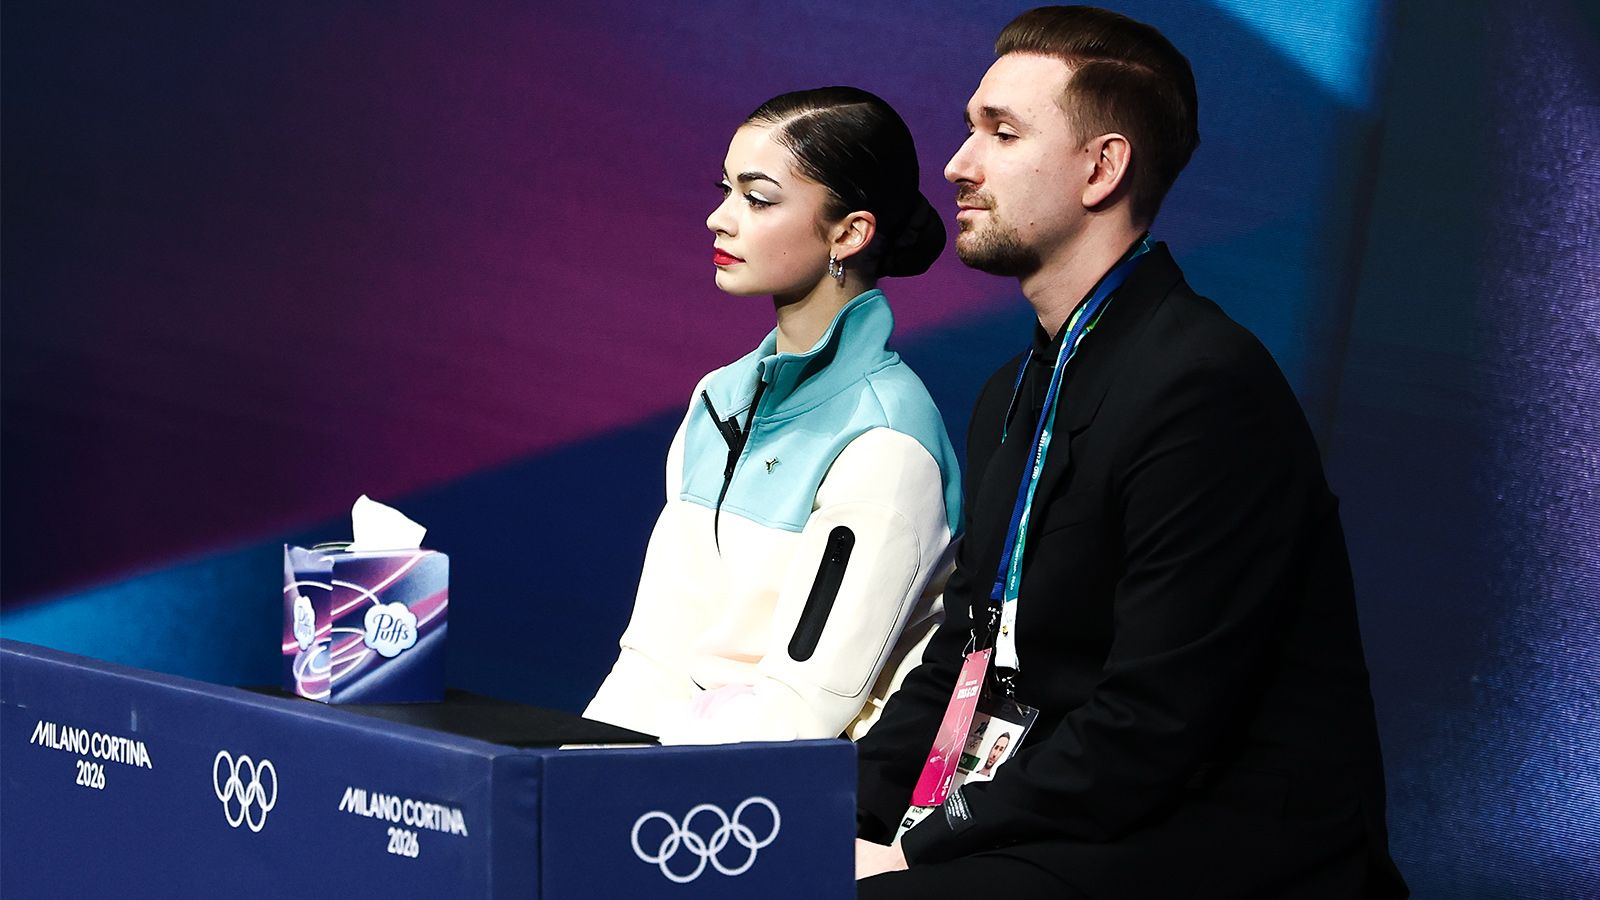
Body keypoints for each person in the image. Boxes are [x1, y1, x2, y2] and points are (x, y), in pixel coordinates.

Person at [853, 7, 1408, 897]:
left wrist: (917, 852)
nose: (957, 164)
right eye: (970, 129)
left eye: (1001, 132)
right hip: (1057, 812)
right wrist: (828, 816)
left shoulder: (1204, 385)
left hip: (1208, 845)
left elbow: (1154, 724)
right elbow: (963, 652)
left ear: (1102, 168)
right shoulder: (1014, 391)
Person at [584, 87, 962, 746]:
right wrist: (578, 772)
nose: (719, 218)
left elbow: (802, 711)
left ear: (850, 233)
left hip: (791, 793)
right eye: (725, 190)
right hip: (675, 775)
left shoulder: (886, 442)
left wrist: (634, 790)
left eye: (757, 199)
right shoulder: (720, 400)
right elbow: (654, 656)